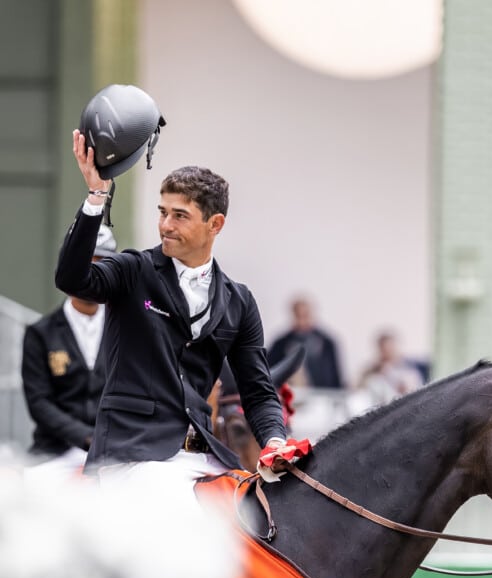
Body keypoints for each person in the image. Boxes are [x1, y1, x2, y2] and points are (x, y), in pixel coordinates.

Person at [54, 128, 301, 481]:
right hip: (130, 457)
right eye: (162, 212)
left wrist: (276, 441)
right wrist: (96, 196)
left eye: (179, 216)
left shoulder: (240, 301)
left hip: (204, 459)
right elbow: (71, 280)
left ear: (215, 224)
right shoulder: (132, 270)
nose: (165, 226)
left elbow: (258, 393)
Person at [21, 225, 118, 473]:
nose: (93, 273)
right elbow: (39, 402)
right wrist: (86, 437)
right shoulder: (41, 333)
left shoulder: (124, 330)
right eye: (87, 263)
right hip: (54, 452)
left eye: (103, 264)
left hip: (115, 451)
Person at [268, 297, 344, 389]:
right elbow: (270, 372)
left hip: (322, 396)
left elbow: (336, 377)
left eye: (305, 315)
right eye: (298, 316)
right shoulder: (280, 344)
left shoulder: (327, 343)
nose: (302, 322)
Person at [359, 330, 426, 405]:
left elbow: (412, 391)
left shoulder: (409, 369)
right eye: (384, 350)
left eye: (390, 349)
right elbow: (359, 390)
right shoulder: (372, 370)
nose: (388, 353)